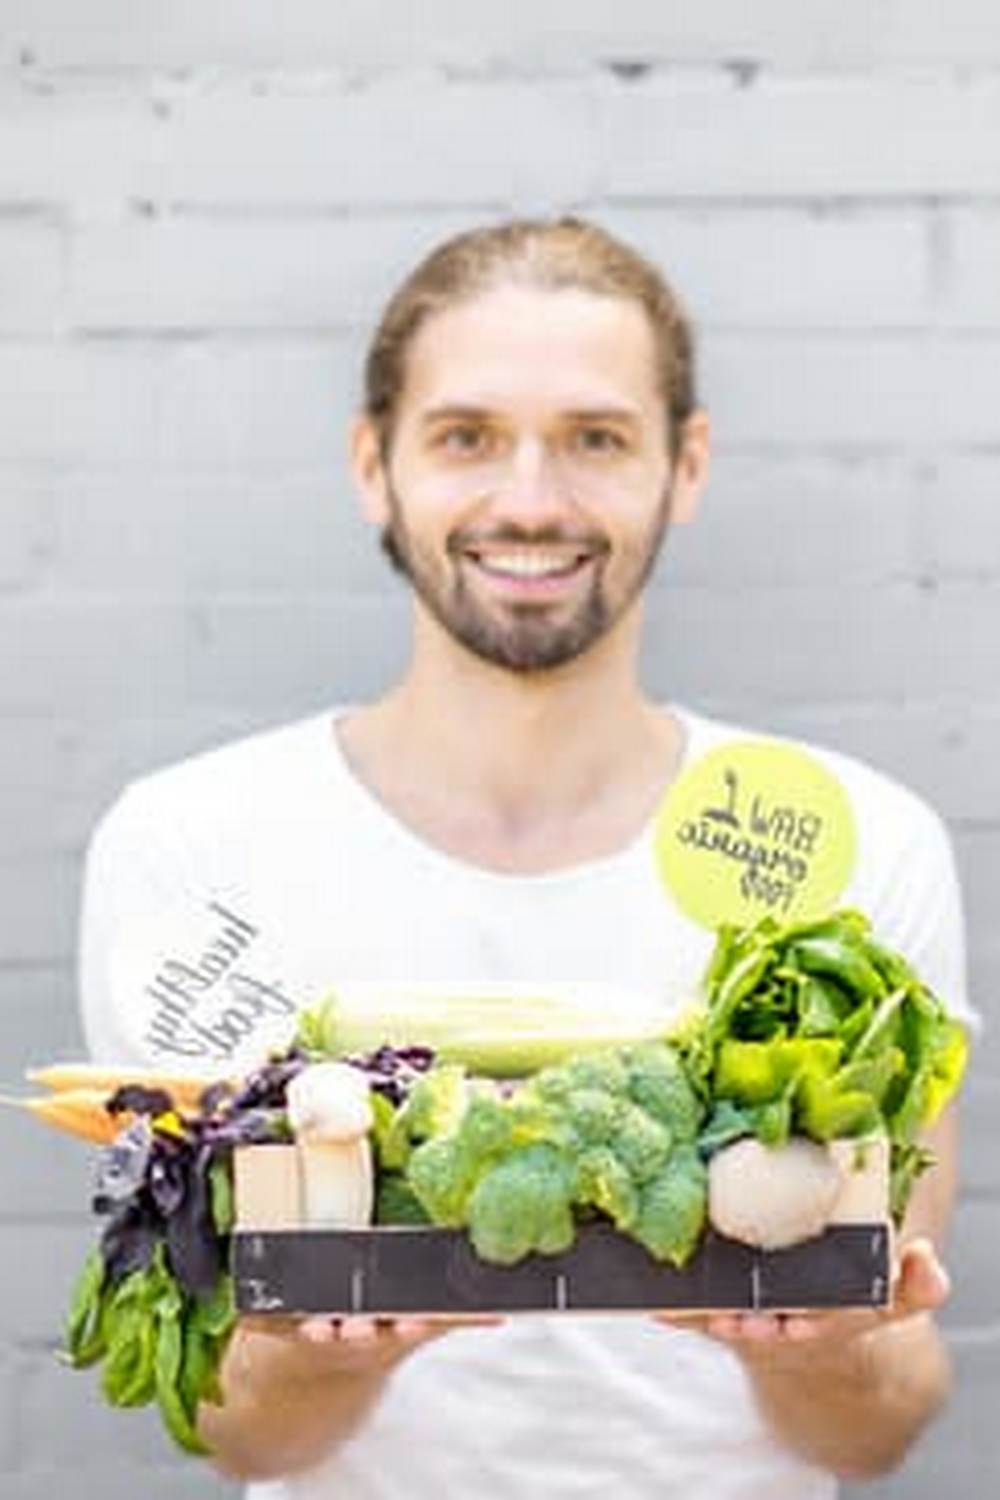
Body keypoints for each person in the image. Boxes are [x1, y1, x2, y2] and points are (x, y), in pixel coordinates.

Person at [78, 216, 978, 1499]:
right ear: (371, 465)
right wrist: (331, 1359)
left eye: (597, 439)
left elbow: (880, 1424)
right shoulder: (189, 845)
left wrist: (813, 1352)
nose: (532, 501)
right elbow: (235, 1432)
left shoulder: (857, 841)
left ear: (687, 465)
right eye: (465, 437)